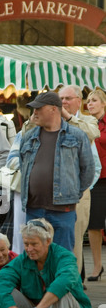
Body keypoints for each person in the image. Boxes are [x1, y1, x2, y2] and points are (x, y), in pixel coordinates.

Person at [20, 91, 95, 252]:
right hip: (34, 208)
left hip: (63, 210)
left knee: (62, 256)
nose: (35, 113)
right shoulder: (28, 136)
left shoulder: (77, 136)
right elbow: (23, 166)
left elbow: (88, 170)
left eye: (39, 108)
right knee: (35, 258)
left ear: (54, 109)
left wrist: (73, 192)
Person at [58, 85, 101, 274]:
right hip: (51, 190)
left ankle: (72, 286)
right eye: (60, 99)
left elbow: (91, 134)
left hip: (77, 190)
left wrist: (67, 117)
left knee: (74, 241)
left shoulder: (88, 120)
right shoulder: (50, 120)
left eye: (68, 98)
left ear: (79, 101)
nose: (63, 102)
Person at [86, 89, 106, 281]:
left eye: (94, 100)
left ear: (103, 103)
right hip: (96, 180)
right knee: (94, 223)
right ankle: (97, 266)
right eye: (88, 101)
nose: (90, 104)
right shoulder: (85, 124)